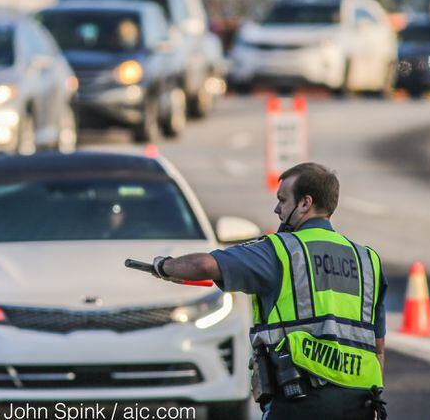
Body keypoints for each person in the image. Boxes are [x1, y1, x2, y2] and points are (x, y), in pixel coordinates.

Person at [150, 162, 387, 420]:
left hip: (299, 401)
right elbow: (377, 349)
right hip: (361, 403)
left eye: (283, 200)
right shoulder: (367, 260)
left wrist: (164, 266)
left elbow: (204, 265)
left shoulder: (281, 250)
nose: (277, 209)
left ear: (305, 203)